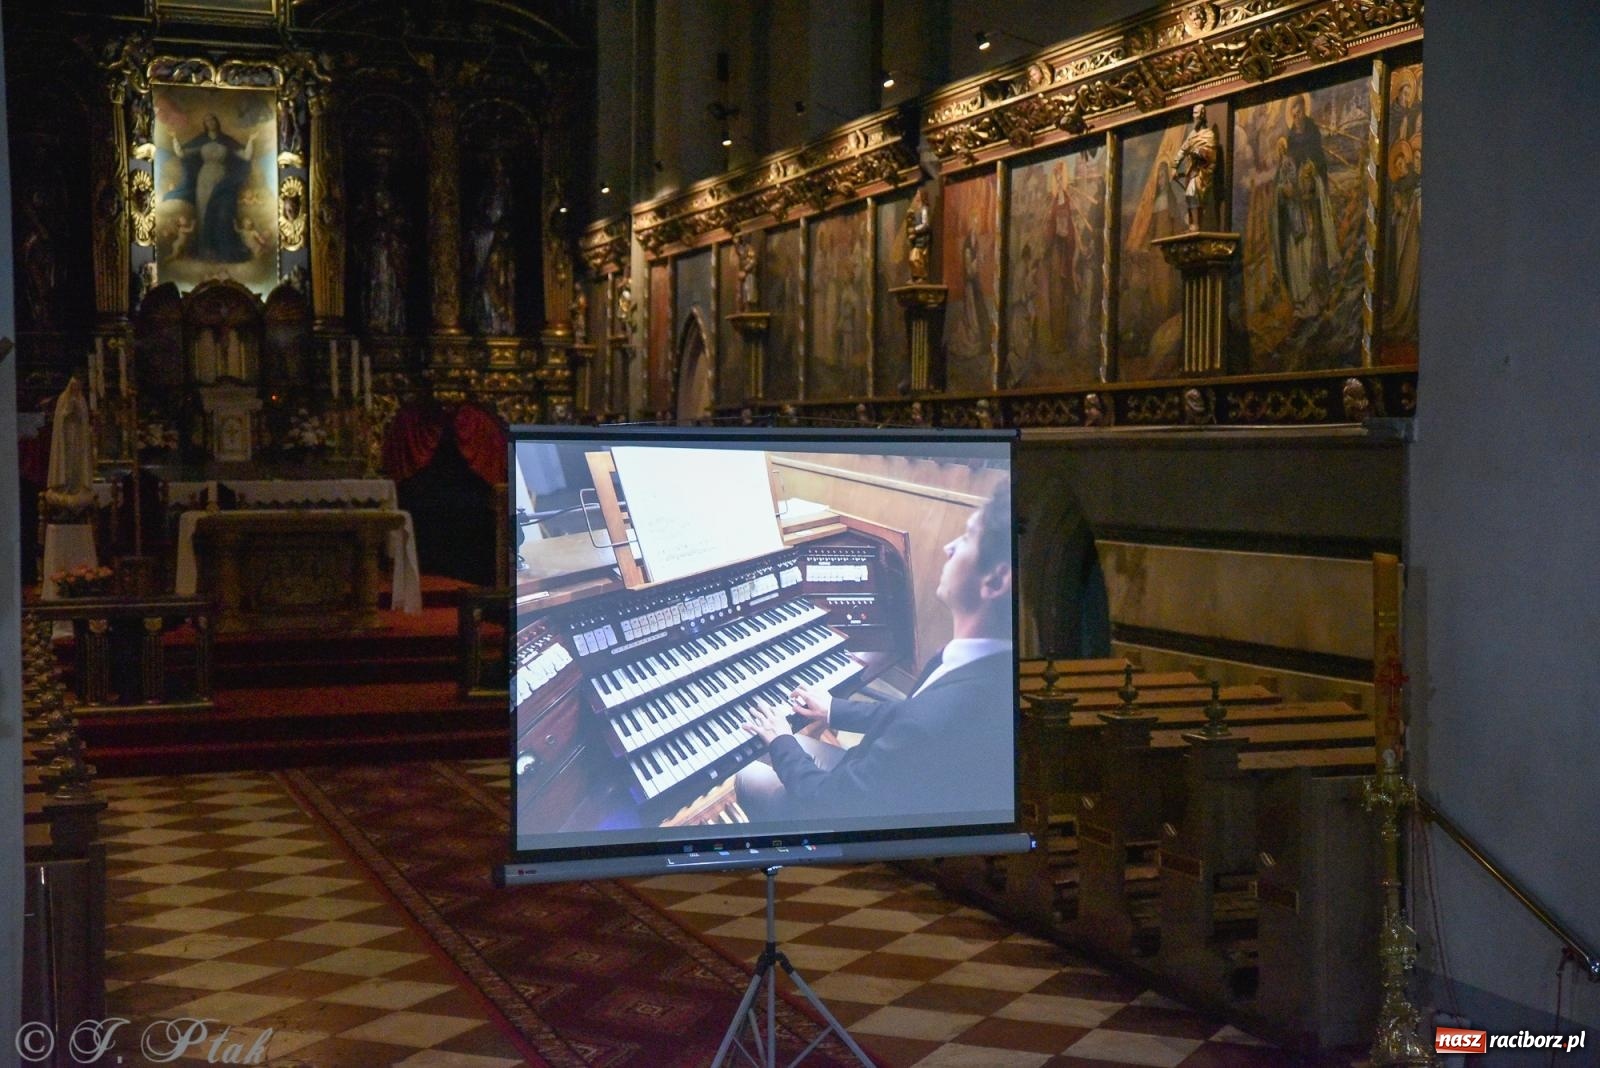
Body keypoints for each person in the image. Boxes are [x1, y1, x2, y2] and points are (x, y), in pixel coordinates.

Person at [737, 483, 1015, 822]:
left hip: (860, 811)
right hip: (885, 778)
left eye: (968, 537)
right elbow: (907, 712)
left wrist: (780, 739)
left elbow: (831, 800)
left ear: (996, 581)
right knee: (798, 747)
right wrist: (834, 710)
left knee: (749, 775)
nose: (948, 546)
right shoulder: (982, 664)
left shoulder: (936, 719)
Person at [164, 113, 257, 263]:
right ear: (205, 124)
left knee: (223, 211)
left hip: (222, 178)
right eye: (206, 120)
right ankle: (206, 249)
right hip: (204, 179)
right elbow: (181, 153)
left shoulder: (226, 140)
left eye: (212, 119)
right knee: (204, 210)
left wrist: (251, 140)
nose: (210, 122)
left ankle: (222, 249)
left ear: (216, 121)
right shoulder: (201, 140)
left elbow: (246, 156)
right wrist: (174, 138)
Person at [1172, 103, 1219, 231]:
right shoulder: (1192, 134)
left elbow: (1211, 154)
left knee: (1193, 194)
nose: (1194, 118)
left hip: (1203, 170)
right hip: (1192, 169)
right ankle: (1194, 224)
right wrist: (1174, 166)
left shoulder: (1209, 134)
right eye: (1193, 115)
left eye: (1196, 115)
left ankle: (1197, 225)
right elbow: (1183, 149)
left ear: (1202, 116)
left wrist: (1200, 152)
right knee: (1191, 195)